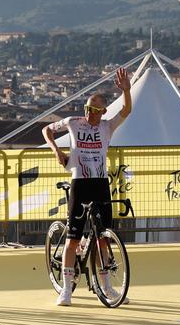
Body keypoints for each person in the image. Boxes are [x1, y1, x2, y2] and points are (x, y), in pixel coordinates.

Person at [42, 69, 133, 307]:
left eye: (94, 110)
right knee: (72, 240)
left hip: (101, 184)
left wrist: (126, 90)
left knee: (103, 239)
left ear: (103, 111)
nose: (89, 113)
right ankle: (66, 290)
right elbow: (47, 130)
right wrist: (56, 150)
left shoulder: (107, 126)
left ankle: (106, 286)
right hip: (80, 183)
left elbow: (126, 111)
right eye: (87, 108)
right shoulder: (73, 123)